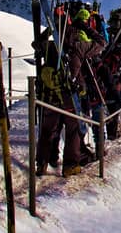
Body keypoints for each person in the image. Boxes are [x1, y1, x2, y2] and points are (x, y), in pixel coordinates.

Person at [35, 40, 84, 178]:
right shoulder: (68, 65)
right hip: (67, 103)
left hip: (49, 102)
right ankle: (70, 165)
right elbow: (77, 87)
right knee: (73, 131)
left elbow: (36, 44)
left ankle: (41, 163)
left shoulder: (46, 66)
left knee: (46, 132)